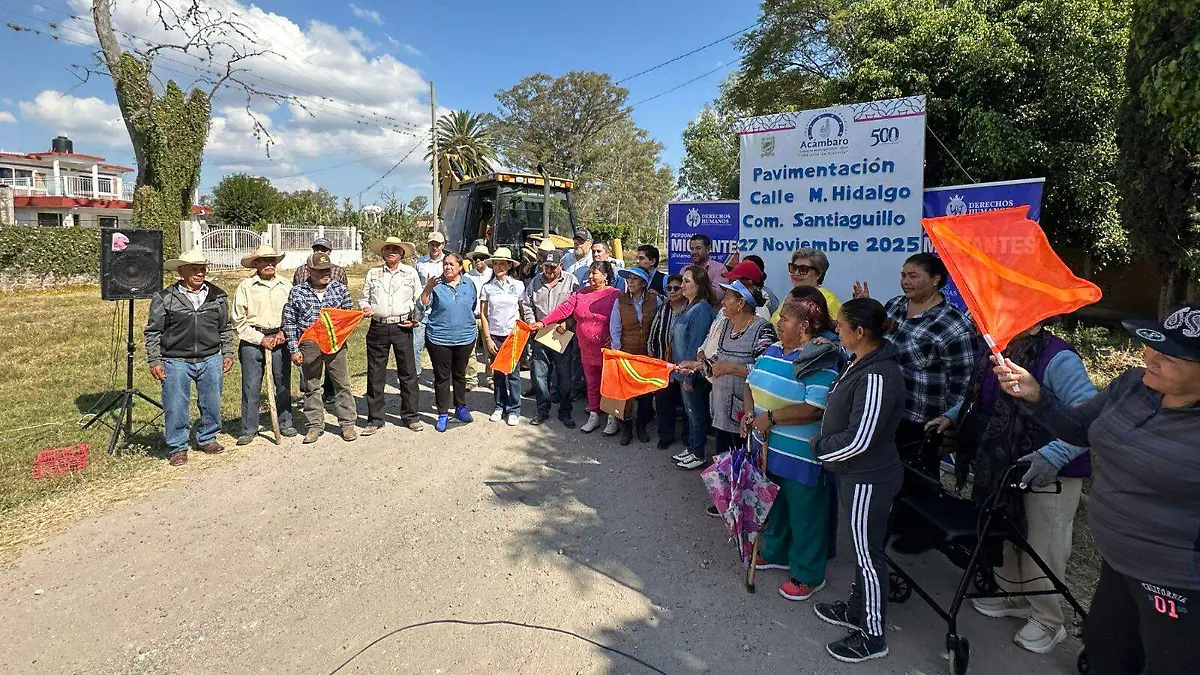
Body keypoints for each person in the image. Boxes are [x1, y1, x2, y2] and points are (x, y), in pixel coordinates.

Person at [995, 305, 1200, 675]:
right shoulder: (1131, 386)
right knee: (1106, 648)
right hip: (1117, 560)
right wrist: (1037, 397)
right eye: (1152, 345)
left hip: (1174, 580)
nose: (1149, 358)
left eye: (1169, 356)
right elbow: (1078, 429)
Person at [923, 319, 1097, 654]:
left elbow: (1087, 419)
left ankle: (1049, 621)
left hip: (1050, 470)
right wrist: (952, 417)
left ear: (1034, 324)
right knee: (1003, 533)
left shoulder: (1058, 358)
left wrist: (1053, 455)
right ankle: (1014, 596)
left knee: (1041, 544)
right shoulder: (997, 349)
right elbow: (981, 396)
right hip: (1003, 466)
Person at [856, 252, 976, 554]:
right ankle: (895, 519)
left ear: (936, 280)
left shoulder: (953, 324)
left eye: (914, 276)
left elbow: (964, 383)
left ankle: (920, 532)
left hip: (924, 417)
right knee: (889, 470)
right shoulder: (895, 305)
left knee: (920, 475)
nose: (906, 281)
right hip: (886, 408)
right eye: (904, 275)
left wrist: (951, 425)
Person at [809, 298, 907, 664]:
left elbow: (860, 440)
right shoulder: (862, 361)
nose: (836, 330)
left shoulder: (878, 375)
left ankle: (873, 633)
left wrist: (819, 448)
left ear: (860, 332)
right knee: (862, 549)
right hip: (855, 475)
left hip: (869, 477)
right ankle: (856, 608)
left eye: (841, 326)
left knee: (869, 555)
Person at [742, 290, 839, 602]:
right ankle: (776, 551)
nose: (778, 322)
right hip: (767, 447)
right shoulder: (771, 350)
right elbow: (750, 383)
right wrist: (749, 412)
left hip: (800, 454)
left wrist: (771, 416)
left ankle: (808, 573)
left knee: (805, 514)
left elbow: (814, 408)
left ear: (805, 326)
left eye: (784, 318)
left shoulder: (819, 359)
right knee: (776, 505)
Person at [145, 247, 234, 466]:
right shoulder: (164, 297)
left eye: (202, 269)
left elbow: (225, 327)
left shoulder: (218, 295)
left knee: (211, 401)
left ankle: (207, 437)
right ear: (181, 271)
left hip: (210, 357)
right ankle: (178, 447)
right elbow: (153, 331)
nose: (199, 273)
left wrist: (228, 351)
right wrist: (155, 360)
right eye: (194, 269)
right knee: (175, 404)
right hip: (175, 360)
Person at [683, 280, 777, 472]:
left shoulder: (762, 329)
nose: (723, 302)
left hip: (744, 413)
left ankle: (738, 501)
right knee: (723, 460)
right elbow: (719, 359)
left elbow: (765, 371)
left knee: (743, 466)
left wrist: (731, 368)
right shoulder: (727, 324)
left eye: (728, 298)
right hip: (721, 408)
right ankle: (724, 500)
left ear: (741, 303)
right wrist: (697, 366)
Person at [530, 260, 622, 433]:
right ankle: (594, 415)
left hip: (608, 350)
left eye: (595, 273)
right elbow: (563, 310)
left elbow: (624, 318)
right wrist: (543, 323)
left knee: (609, 384)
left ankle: (612, 418)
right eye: (590, 272)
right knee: (592, 383)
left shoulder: (614, 294)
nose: (590, 276)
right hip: (586, 349)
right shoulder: (580, 294)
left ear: (605, 276)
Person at [282, 251, 358, 444]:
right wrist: (294, 349)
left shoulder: (339, 289)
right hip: (309, 346)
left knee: (342, 384)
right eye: (320, 271)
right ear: (309, 270)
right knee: (311, 386)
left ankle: (347, 424)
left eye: (327, 270)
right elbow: (290, 321)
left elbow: (347, 316)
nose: (325, 273)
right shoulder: (297, 292)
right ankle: (315, 426)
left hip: (335, 344)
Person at [359, 237, 424, 436]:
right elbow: (364, 298)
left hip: (402, 326)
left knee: (408, 373)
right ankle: (375, 419)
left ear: (402, 253)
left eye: (395, 249)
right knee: (376, 373)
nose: (391, 252)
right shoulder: (373, 273)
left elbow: (419, 300)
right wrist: (365, 307)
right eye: (387, 249)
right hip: (378, 327)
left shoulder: (410, 273)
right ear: (382, 253)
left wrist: (416, 319)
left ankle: (411, 416)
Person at [232, 244, 295, 446]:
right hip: (253, 339)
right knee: (251, 385)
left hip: (280, 338)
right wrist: (260, 339)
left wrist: (284, 332)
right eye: (264, 261)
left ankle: (285, 422)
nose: (269, 264)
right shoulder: (246, 286)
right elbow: (238, 320)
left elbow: (293, 313)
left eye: (272, 261)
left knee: (282, 381)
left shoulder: (286, 285)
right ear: (256, 264)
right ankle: (249, 428)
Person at [520, 246, 580, 427]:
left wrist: (568, 323)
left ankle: (565, 411)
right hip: (540, 333)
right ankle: (542, 410)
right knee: (540, 374)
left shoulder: (572, 281)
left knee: (564, 375)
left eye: (553, 267)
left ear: (561, 266)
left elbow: (578, 306)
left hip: (562, 335)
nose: (549, 270)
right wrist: (531, 322)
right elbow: (527, 303)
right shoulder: (535, 282)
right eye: (546, 266)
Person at [421, 252, 478, 432]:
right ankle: (443, 413)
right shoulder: (436, 284)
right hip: (439, 338)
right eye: (445, 264)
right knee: (442, 377)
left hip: (465, 337)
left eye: (452, 264)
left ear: (460, 266)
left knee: (460, 374)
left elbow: (473, 305)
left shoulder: (469, 284)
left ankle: (460, 407)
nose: (447, 267)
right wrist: (428, 288)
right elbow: (423, 305)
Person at [668, 265, 719, 469]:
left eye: (687, 281)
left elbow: (696, 344)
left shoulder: (702, 310)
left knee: (696, 414)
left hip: (692, 374)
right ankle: (691, 448)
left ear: (699, 285)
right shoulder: (688, 306)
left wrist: (689, 376)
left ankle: (698, 453)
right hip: (682, 372)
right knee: (689, 413)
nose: (682, 285)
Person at [610, 266, 662, 444]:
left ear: (644, 283)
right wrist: (617, 353)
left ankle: (641, 426)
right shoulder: (620, 301)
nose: (630, 282)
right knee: (626, 394)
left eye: (635, 279)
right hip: (627, 353)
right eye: (628, 278)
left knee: (646, 393)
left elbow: (661, 324)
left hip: (647, 354)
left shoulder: (656, 300)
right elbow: (615, 329)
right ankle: (626, 429)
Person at [293, 236, 348, 403]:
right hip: (309, 335)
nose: (320, 251)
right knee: (310, 381)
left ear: (329, 252)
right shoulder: (300, 272)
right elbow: (293, 307)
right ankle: (312, 414)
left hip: (332, 334)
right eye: (317, 248)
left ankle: (331, 395)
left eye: (323, 249)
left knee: (339, 378)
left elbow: (346, 309)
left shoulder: (338, 273)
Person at [480, 247, 526, 426]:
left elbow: (523, 310)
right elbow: (484, 314)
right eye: (496, 263)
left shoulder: (518, 286)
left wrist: (523, 334)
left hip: (513, 335)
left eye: (502, 263)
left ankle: (514, 409)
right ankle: (500, 406)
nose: (499, 266)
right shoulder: (487, 288)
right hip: (495, 335)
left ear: (509, 265)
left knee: (513, 374)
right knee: (498, 373)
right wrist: (488, 338)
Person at [771, 248, 841, 327]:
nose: (796, 273)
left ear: (818, 274)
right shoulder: (792, 295)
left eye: (803, 269)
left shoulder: (829, 299)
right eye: (793, 268)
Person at [413, 231, 450, 377]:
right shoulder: (420, 262)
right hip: (422, 307)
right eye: (432, 244)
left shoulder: (448, 262)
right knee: (416, 345)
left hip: (440, 308)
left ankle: (440, 375)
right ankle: (415, 375)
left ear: (443, 245)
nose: (435, 247)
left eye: (438, 244)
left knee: (439, 346)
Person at [688, 234, 728, 300]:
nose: (694, 252)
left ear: (708, 249)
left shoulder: (719, 269)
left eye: (698, 248)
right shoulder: (685, 270)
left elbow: (718, 297)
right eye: (692, 249)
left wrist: (701, 280)